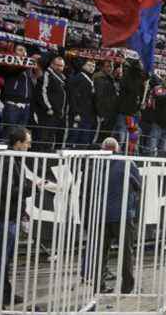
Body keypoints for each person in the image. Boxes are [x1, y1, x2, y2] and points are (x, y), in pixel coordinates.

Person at [0, 127, 32, 310]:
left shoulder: (13, 160)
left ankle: (4, 295)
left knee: (5, 261)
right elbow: (8, 191)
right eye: (27, 142)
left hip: (10, 216)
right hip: (4, 218)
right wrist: (31, 188)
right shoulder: (7, 161)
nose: (29, 146)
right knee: (1, 261)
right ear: (18, 143)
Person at [93, 137, 142, 293]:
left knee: (100, 252)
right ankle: (126, 287)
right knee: (126, 252)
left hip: (101, 214)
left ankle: (98, 286)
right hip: (122, 214)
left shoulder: (96, 163)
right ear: (118, 149)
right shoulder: (126, 162)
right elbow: (138, 184)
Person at [0, 45, 35, 139]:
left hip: (26, 105)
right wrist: (28, 62)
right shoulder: (10, 63)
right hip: (12, 104)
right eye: (20, 50)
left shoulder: (29, 67)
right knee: (9, 131)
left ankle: (15, 151)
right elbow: (15, 70)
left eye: (25, 50)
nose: (23, 52)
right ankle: (3, 150)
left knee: (21, 133)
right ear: (14, 52)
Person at [36, 56, 67, 151]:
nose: (59, 68)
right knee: (43, 137)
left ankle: (47, 157)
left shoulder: (62, 77)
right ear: (52, 64)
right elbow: (42, 92)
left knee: (50, 138)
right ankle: (40, 157)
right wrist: (48, 108)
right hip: (47, 113)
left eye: (61, 66)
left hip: (57, 114)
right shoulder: (47, 74)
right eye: (57, 65)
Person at [67, 59, 97, 147]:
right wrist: (76, 112)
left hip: (88, 114)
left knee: (84, 138)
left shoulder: (91, 79)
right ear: (83, 66)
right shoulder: (78, 78)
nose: (91, 68)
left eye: (93, 66)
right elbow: (72, 97)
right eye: (89, 65)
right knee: (74, 136)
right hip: (78, 114)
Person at [93, 62, 120, 143]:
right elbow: (98, 97)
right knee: (99, 135)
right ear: (102, 67)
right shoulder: (99, 78)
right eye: (107, 66)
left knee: (106, 135)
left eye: (111, 67)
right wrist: (100, 113)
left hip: (111, 112)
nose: (110, 68)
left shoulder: (111, 78)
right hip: (103, 113)